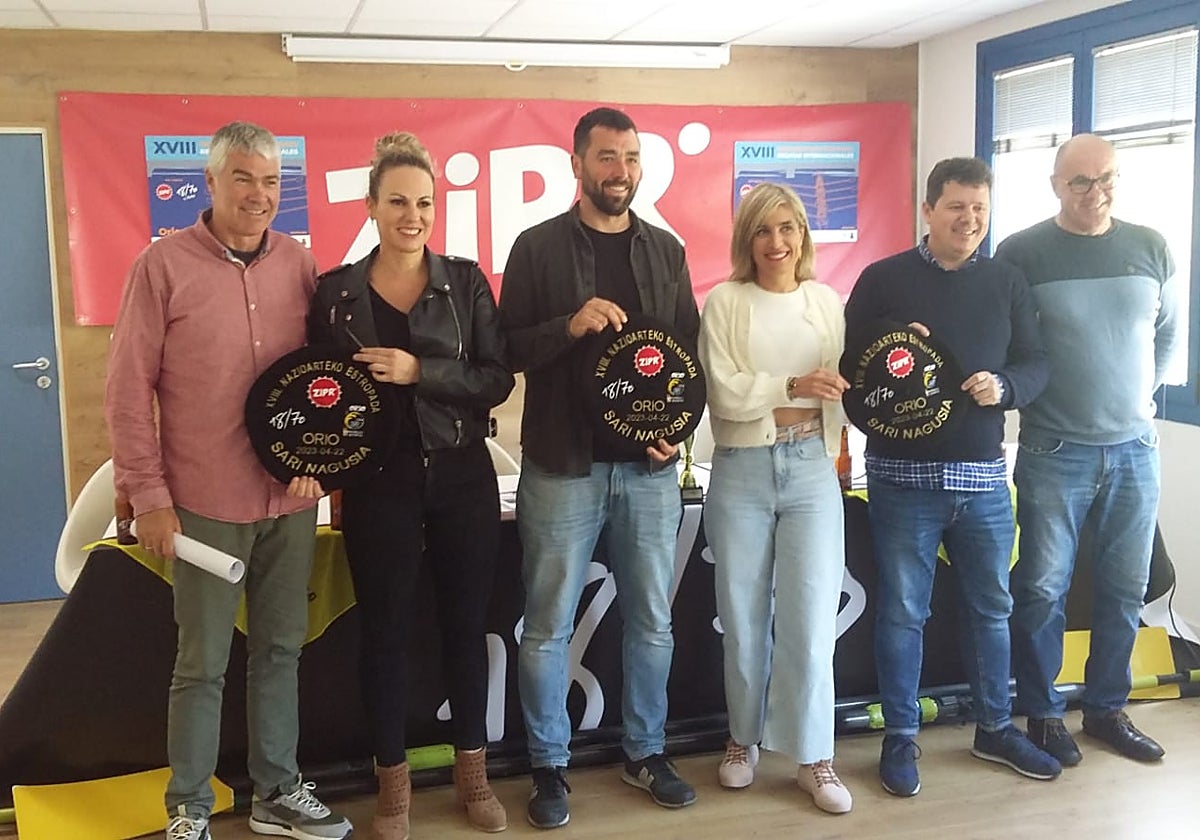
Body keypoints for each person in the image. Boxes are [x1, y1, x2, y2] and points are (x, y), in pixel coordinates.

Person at [105, 121, 352, 840]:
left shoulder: (300, 267)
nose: (259, 194)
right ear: (209, 183)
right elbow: (127, 390)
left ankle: (277, 794)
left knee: (280, 651)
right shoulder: (161, 267)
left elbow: (321, 383)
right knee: (202, 664)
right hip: (204, 506)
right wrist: (149, 498)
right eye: (243, 178)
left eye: (272, 181)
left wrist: (325, 465)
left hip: (290, 500)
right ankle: (188, 809)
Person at [307, 132, 515, 838]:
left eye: (424, 202)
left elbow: (496, 378)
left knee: (465, 628)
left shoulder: (466, 281)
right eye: (397, 201)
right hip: (378, 484)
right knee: (386, 635)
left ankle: (474, 779)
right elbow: (318, 393)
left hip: (462, 476)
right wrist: (316, 466)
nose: (412, 215)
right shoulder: (335, 292)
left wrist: (420, 371)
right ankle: (392, 792)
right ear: (371, 206)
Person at [498, 106, 700, 829]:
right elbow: (507, 350)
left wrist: (676, 432)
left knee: (652, 622)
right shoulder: (536, 247)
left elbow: (686, 360)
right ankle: (549, 767)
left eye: (631, 158)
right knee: (548, 625)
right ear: (577, 165)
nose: (621, 171)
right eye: (607, 158)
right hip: (562, 467)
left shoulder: (666, 252)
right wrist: (567, 326)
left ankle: (646, 752)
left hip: (648, 472)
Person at [841, 157, 1057, 798]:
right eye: (957, 206)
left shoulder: (1007, 281)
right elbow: (851, 369)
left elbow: (1037, 361)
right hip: (902, 480)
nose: (969, 220)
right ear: (928, 209)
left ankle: (994, 727)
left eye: (980, 209)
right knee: (904, 613)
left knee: (993, 607)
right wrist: (889, 347)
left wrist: (1009, 385)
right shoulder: (882, 279)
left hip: (986, 479)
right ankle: (901, 737)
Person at [995, 134, 1177, 766]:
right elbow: (1013, 346)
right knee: (1043, 588)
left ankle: (1106, 710)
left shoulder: (1150, 246)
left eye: (1109, 179)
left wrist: (1133, 405)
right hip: (1055, 449)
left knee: (1125, 588)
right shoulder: (1021, 252)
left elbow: (1169, 333)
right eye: (1081, 181)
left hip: (1134, 450)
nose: (1096, 193)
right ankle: (1043, 714)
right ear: (1054, 184)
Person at [698, 183, 852, 814]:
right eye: (764, 230)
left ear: (803, 236)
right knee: (742, 619)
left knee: (813, 619)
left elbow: (848, 383)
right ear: (747, 239)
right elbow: (725, 393)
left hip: (813, 465)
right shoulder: (726, 302)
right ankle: (742, 739)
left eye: (788, 228)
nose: (777, 242)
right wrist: (790, 382)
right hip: (742, 468)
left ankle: (815, 755)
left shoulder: (825, 301)